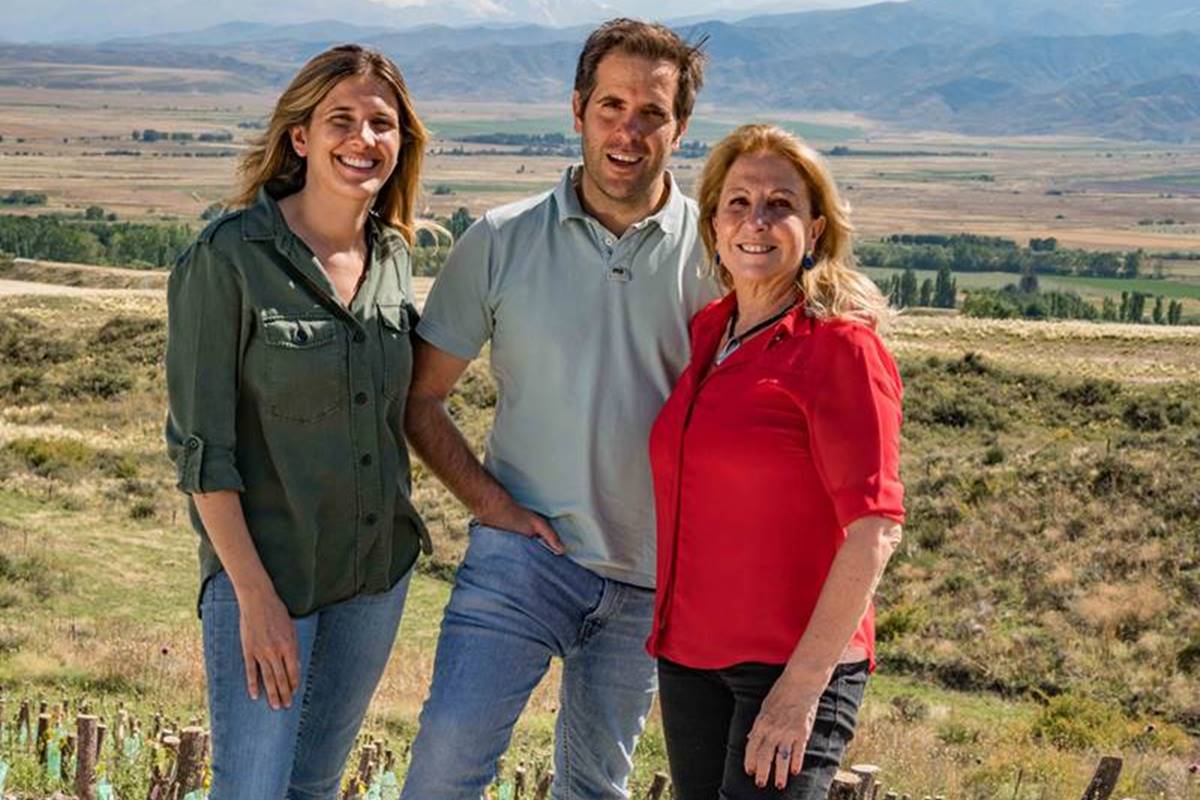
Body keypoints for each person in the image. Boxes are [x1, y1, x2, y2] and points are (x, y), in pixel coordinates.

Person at [400, 18, 716, 800]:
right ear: (577, 110)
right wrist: (491, 506)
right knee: (442, 773)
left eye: (652, 113)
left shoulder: (719, 254)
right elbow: (420, 397)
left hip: (654, 580)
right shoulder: (500, 240)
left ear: (681, 128)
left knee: (596, 789)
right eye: (611, 107)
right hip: (521, 566)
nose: (628, 131)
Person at [164, 44, 432, 800]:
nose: (363, 139)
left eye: (382, 122)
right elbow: (201, 454)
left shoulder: (393, 256)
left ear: (401, 141)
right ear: (301, 137)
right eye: (340, 120)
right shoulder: (228, 259)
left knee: (314, 787)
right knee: (251, 788)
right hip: (268, 578)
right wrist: (254, 599)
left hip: (373, 578)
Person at [646, 124, 906, 800]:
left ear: (815, 228)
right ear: (713, 223)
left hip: (790, 665)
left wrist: (800, 688)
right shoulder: (710, 332)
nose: (755, 222)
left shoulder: (841, 349)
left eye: (779, 204)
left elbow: (875, 528)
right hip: (689, 657)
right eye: (738, 202)